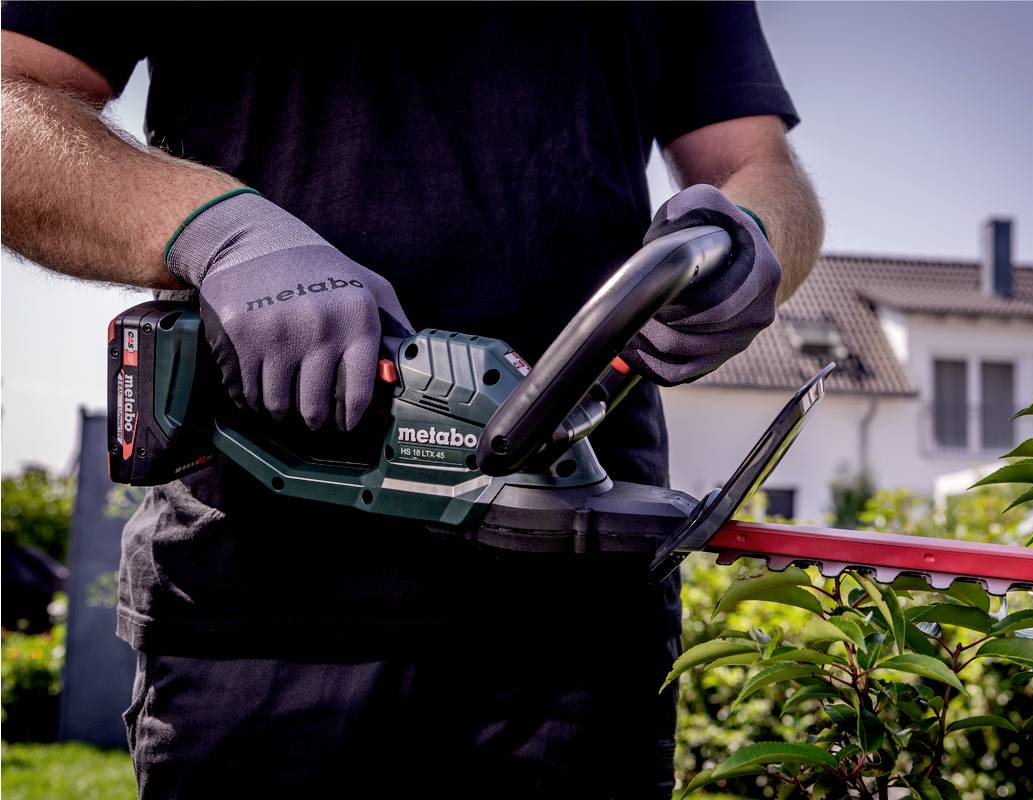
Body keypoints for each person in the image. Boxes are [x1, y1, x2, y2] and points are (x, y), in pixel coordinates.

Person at [1, 3, 823, 797]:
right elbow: (13, 98)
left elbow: (761, 165)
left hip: (580, 613)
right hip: (259, 610)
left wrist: (748, 237)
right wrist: (218, 230)